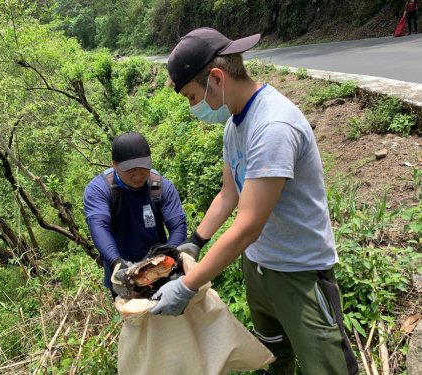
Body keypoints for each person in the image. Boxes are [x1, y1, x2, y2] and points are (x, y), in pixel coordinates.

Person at [149, 27, 359, 375]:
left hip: (298, 272)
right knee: (273, 357)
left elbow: (247, 226)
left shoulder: (273, 125)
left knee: (329, 368)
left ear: (216, 78)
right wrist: (195, 243)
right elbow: (228, 194)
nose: (193, 107)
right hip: (259, 266)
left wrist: (188, 285)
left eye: (191, 96)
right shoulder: (235, 125)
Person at [83, 131, 188, 298]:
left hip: (160, 270)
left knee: (170, 318)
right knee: (135, 319)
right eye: (130, 170)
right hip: (122, 273)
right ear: (114, 165)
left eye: (143, 169)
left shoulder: (159, 186)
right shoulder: (99, 190)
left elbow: (178, 225)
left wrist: (168, 256)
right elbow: (99, 226)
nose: (138, 175)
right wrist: (116, 262)